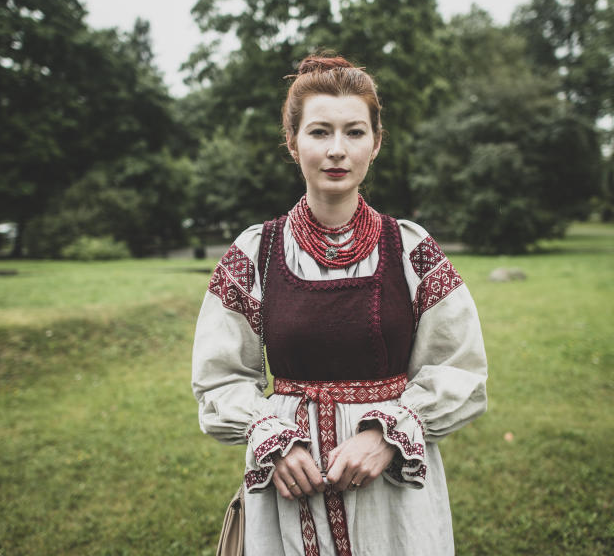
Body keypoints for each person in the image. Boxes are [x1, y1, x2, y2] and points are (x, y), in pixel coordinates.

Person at [192, 55, 488, 555]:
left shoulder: (412, 250)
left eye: (353, 132)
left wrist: (387, 436)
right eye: (319, 132)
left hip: (390, 489)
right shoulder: (256, 252)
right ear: (293, 142)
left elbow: (460, 369)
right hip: (290, 483)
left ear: (375, 142)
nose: (336, 150)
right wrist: (271, 438)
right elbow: (220, 376)